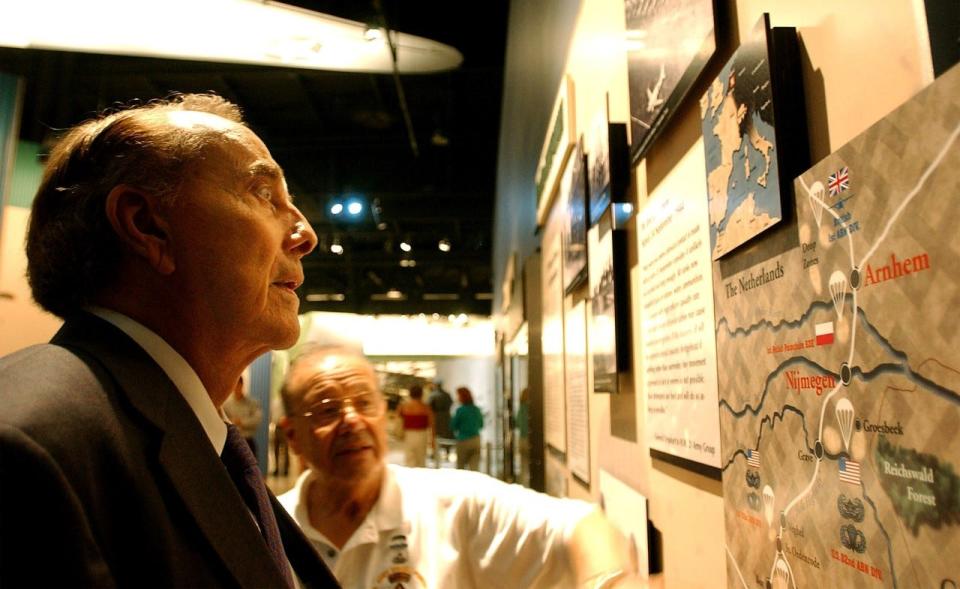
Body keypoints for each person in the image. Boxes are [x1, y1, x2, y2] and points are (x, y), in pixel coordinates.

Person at [0, 94, 338, 588]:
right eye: (264, 193)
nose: (305, 233)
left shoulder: (191, 435)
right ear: (147, 225)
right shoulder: (33, 447)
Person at [277, 345, 647, 589]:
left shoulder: (455, 503)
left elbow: (582, 525)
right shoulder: (265, 529)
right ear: (292, 434)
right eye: (327, 409)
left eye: (365, 403)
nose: (352, 420)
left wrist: (609, 581)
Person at [223, 374, 263, 454]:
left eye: (238, 385)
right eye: (235, 385)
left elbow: (257, 419)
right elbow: (222, 419)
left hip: (247, 441)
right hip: (232, 442)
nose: (236, 388)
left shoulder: (252, 403)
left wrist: (241, 422)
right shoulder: (226, 404)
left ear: (242, 385)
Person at [397, 383, 433, 467]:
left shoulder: (404, 407)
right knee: (421, 460)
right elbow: (431, 424)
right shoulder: (426, 407)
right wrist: (432, 440)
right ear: (421, 394)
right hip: (422, 434)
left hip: (409, 434)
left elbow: (398, 419)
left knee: (409, 460)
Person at [451, 386, 484, 470]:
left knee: (461, 467)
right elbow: (481, 425)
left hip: (463, 440)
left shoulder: (460, 410)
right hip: (476, 440)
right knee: (475, 468)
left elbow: (453, 425)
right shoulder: (476, 410)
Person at [426, 379, 454, 463]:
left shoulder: (433, 395)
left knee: (436, 435)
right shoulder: (447, 395)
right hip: (446, 417)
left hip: (437, 417)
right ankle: (447, 452)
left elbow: (429, 406)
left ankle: (435, 453)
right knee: (446, 434)